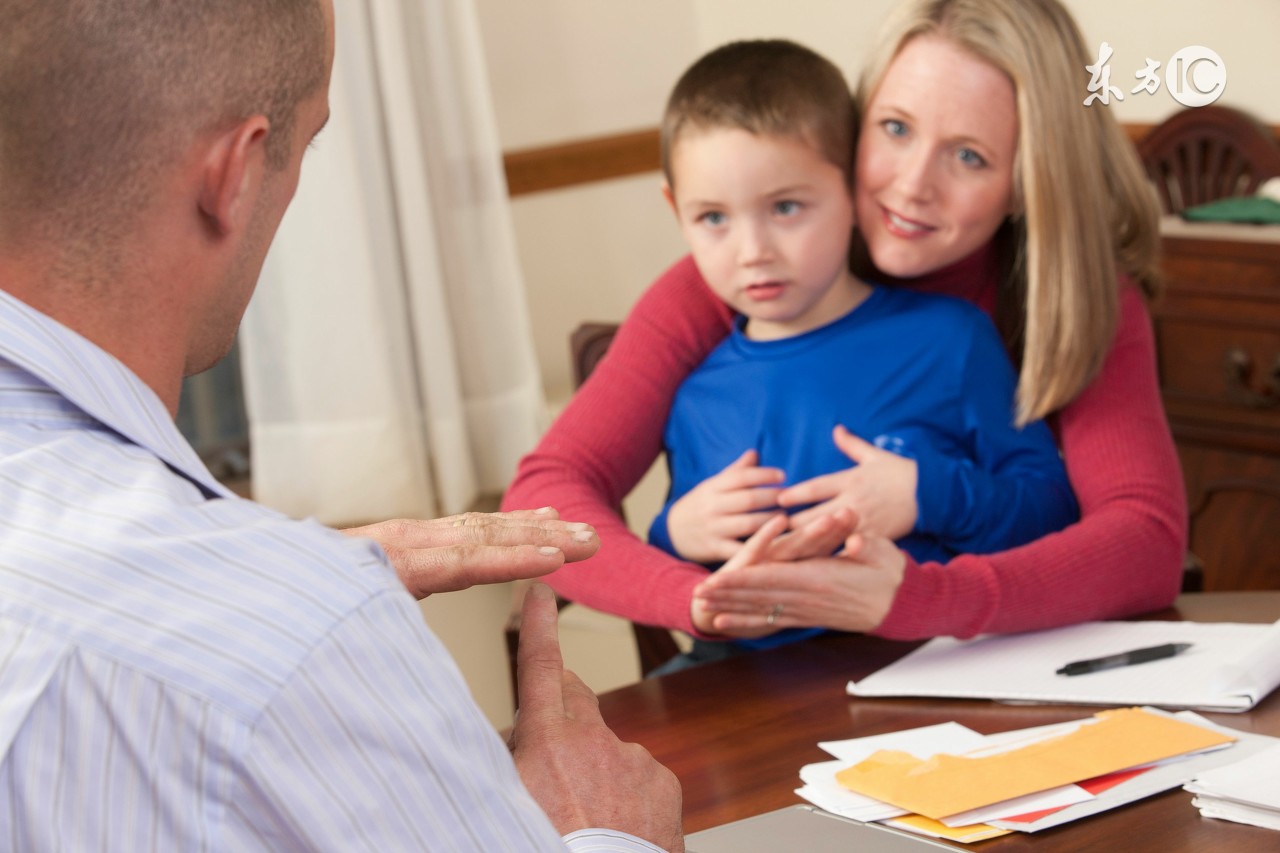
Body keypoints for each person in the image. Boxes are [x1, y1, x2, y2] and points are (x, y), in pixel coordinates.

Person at [0, 1, 682, 850]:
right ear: (233, 175)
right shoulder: (302, 640)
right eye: (308, 142)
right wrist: (606, 833)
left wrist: (266, 588)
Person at [502, 0, 1186, 644]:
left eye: (969, 156)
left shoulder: (1071, 293)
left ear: (1029, 182)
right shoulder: (740, 279)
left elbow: (1146, 541)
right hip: (756, 677)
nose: (912, 185)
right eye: (896, 128)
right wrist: (698, 593)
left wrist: (923, 593)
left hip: (965, 664)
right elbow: (544, 498)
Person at [647, 40, 1077, 663]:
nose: (752, 251)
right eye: (713, 217)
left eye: (785, 207)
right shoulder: (696, 399)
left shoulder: (951, 341)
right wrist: (674, 531)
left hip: (934, 662)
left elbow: (1050, 512)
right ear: (676, 211)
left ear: (853, 190)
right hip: (745, 683)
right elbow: (694, 584)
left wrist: (928, 494)